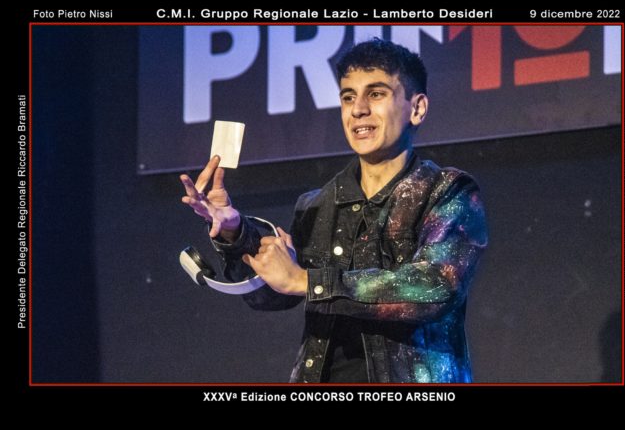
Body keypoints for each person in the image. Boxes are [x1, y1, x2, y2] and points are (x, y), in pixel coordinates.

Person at [180, 38, 488, 383]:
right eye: (348, 97)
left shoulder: (447, 191)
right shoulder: (317, 204)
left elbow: (436, 287)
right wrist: (234, 232)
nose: (358, 110)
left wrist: (307, 281)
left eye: (376, 94)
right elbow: (271, 295)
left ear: (416, 108)